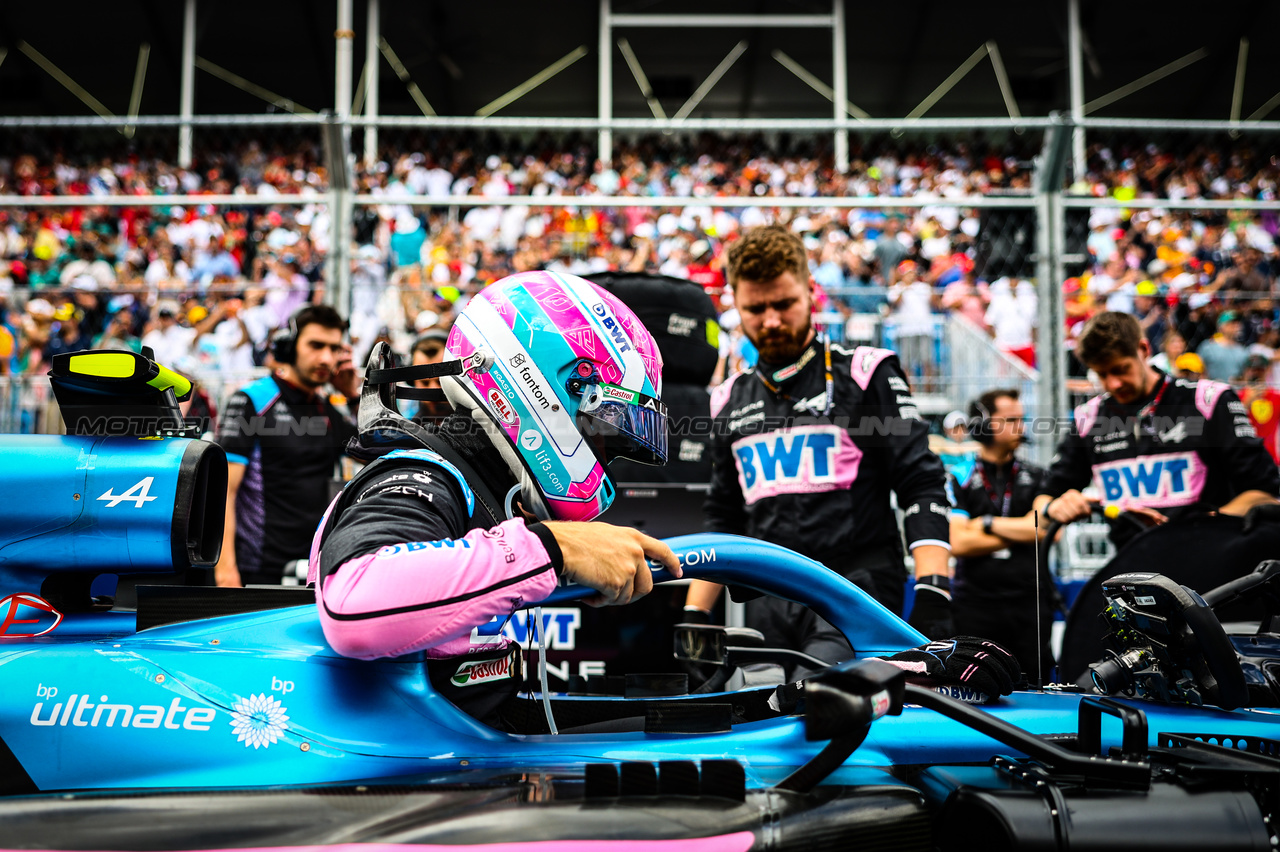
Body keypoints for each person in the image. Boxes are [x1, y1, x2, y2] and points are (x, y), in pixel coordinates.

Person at [308, 271, 680, 729]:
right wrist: (553, 549)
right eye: (605, 433)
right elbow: (355, 604)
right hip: (381, 785)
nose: (604, 456)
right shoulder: (425, 474)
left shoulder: (491, 495)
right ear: (550, 390)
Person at [686, 225, 952, 665]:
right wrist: (696, 612)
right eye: (755, 308)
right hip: (768, 595)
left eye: (784, 304)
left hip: (854, 589)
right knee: (762, 709)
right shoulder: (726, 399)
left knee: (820, 704)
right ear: (734, 303)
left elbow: (921, 482)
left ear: (812, 292)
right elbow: (723, 514)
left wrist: (933, 589)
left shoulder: (867, 372)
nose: (770, 320)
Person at [1035, 311, 1279, 549]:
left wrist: (1203, 526)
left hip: (1210, 558)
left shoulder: (1208, 400)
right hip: (1132, 570)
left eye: (1121, 369)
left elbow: (1264, 491)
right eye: (1102, 374)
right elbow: (1043, 501)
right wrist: (1053, 508)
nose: (1113, 384)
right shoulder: (1088, 418)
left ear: (1143, 350)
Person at [214, 305, 361, 587]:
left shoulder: (325, 410)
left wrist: (352, 396)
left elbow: (376, 452)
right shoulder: (251, 400)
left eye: (334, 349)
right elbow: (224, 492)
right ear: (289, 348)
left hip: (313, 570)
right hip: (258, 573)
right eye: (316, 346)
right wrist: (225, 573)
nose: (326, 358)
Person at [946, 389, 1054, 679]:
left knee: (1035, 687)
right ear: (982, 424)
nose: (1021, 426)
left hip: (1029, 603)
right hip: (976, 604)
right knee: (975, 687)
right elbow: (958, 541)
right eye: (1010, 419)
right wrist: (1023, 528)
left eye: (1021, 419)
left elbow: (1047, 532)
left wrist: (986, 523)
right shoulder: (960, 475)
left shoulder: (1039, 476)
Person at [403, 327, 452, 425]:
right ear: (413, 382)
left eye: (440, 381)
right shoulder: (409, 431)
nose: (433, 389)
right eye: (425, 383)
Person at [1196, 311, 1250, 382]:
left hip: (1234, 390)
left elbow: (1245, 375)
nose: (1237, 326)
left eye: (1238, 323)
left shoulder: (1243, 351)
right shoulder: (1207, 347)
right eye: (1232, 323)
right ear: (1221, 326)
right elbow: (1198, 370)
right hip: (1212, 389)